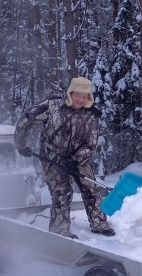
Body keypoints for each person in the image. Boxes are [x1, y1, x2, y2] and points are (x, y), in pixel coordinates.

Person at [14, 77, 115, 239]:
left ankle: (99, 224)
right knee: (62, 191)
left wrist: (77, 159)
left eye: (85, 96)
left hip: (79, 157)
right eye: (78, 95)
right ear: (70, 93)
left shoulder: (91, 114)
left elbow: (91, 143)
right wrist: (20, 144)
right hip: (53, 156)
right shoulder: (51, 106)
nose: (81, 100)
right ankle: (59, 230)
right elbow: (26, 120)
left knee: (90, 188)